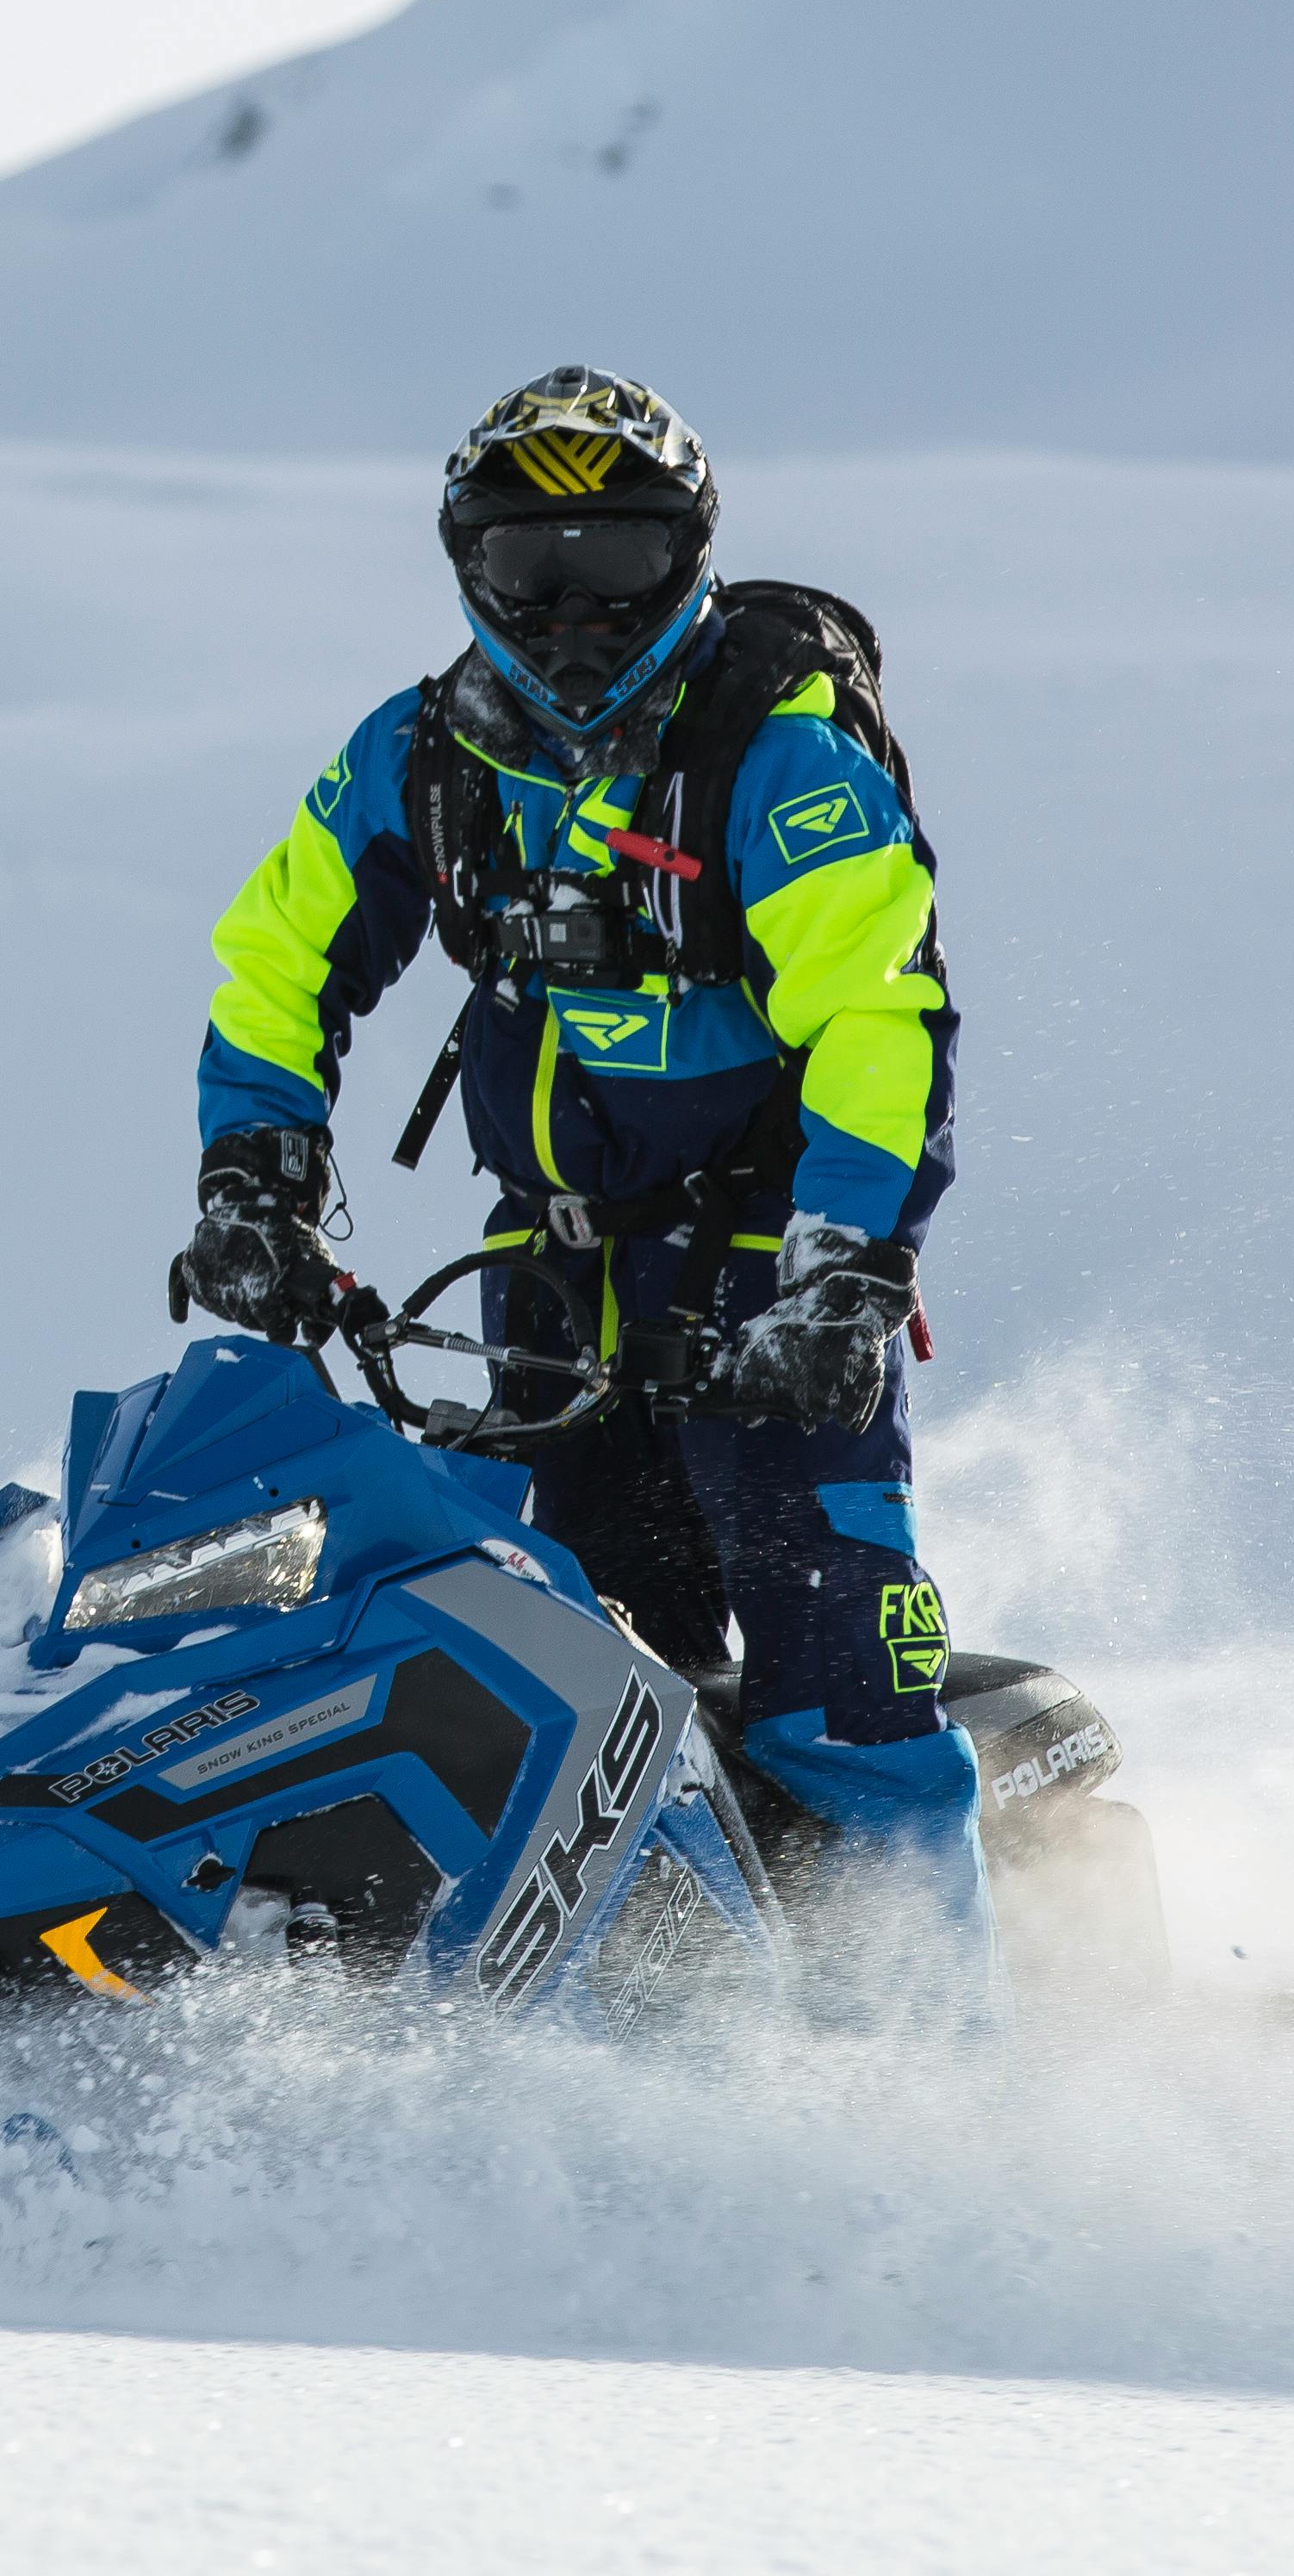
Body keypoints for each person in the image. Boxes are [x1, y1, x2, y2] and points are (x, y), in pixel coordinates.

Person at [170, 365, 987, 2014]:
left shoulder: (775, 748)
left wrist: (840, 1277)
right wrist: (254, 1183)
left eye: (615, 562)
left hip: (773, 1273)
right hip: (546, 1279)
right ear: (464, 563)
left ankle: (952, 2090)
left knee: (841, 1684)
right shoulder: (427, 755)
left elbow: (878, 1013)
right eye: (525, 567)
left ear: (688, 556)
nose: (571, 613)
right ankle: (639, 2039)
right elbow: (279, 961)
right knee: (584, 1682)